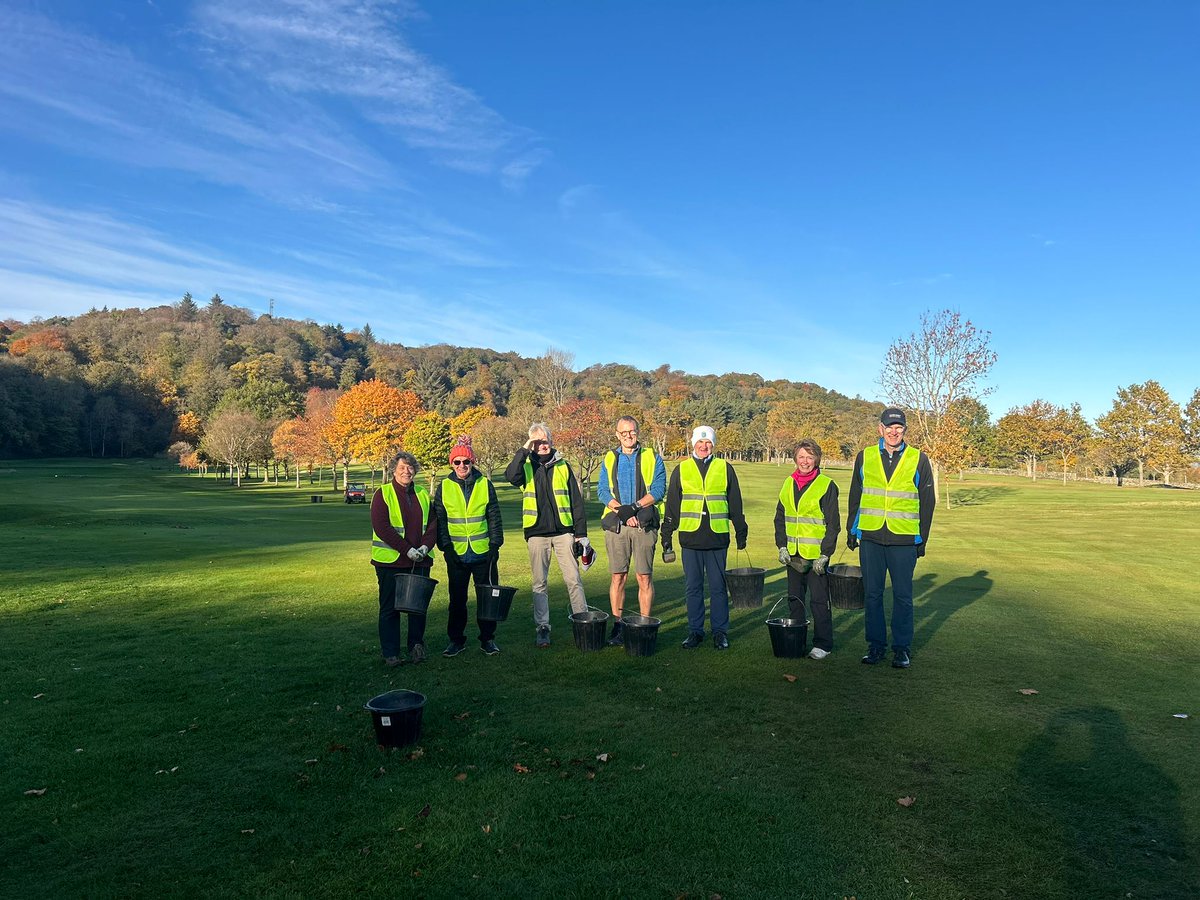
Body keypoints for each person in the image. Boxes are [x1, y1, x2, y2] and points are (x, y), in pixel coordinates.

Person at [846, 407, 936, 669]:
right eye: (889, 427)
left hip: (904, 539)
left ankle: (901, 648)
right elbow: (856, 495)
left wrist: (922, 539)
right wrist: (852, 529)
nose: (894, 432)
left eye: (899, 428)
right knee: (872, 595)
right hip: (871, 536)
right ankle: (875, 646)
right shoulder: (865, 456)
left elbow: (927, 503)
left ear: (905, 430)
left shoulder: (919, 459)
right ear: (880, 429)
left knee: (903, 596)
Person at [661, 425, 748, 650]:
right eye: (700, 442)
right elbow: (672, 505)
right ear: (693, 444)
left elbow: (735, 502)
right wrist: (666, 534)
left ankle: (720, 632)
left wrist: (741, 530)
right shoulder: (681, 469)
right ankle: (695, 631)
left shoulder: (725, 468)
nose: (704, 446)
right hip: (691, 538)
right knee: (693, 588)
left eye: (708, 442)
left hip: (717, 538)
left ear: (713, 445)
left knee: (718, 588)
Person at [505, 422, 590, 648]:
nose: (543, 445)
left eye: (545, 441)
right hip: (536, 533)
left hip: (564, 532)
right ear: (532, 444)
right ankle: (542, 627)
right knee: (539, 583)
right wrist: (525, 448)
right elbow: (510, 476)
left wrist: (581, 534)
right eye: (538, 442)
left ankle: (582, 621)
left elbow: (576, 502)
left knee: (574, 580)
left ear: (552, 441)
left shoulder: (563, 466)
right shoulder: (525, 466)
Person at [597, 415, 667, 646]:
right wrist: (623, 512)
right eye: (624, 432)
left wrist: (634, 508)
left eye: (632, 431)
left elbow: (658, 489)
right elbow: (602, 492)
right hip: (617, 525)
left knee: (644, 576)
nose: (628, 436)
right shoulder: (609, 458)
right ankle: (618, 626)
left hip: (644, 524)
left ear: (638, 432)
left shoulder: (652, 457)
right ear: (617, 434)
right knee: (618, 576)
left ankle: (644, 626)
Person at [434, 436, 504, 657]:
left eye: (466, 461)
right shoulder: (444, 487)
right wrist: (446, 548)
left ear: (472, 463)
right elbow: (440, 520)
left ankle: (488, 639)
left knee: (487, 599)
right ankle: (456, 641)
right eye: (457, 462)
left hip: (483, 552)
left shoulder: (485, 484)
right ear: (451, 464)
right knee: (457, 601)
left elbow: (494, 516)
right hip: (457, 554)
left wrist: (495, 545)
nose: (462, 466)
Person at [774, 440, 841, 659]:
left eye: (810, 457)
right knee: (795, 599)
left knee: (819, 601)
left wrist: (826, 554)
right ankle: (796, 641)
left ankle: (823, 644)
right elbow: (780, 518)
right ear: (795, 458)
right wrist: (781, 546)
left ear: (816, 460)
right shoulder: (787, 483)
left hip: (816, 556)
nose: (805, 461)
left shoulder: (826, 485)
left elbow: (833, 524)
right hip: (793, 554)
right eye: (801, 457)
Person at [370, 450, 437, 666]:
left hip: (420, 561)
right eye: (402, 468)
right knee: (390, 609)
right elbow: (382, 527)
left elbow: (433, 525)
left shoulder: (422, 493)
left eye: (410, 468)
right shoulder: (383, 494)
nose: (406, 471)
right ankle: (391, 653)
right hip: (390, 562)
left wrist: (425, 547)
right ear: (394, 470)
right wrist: (406, 550)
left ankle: (416, 646)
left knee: (418, 608)